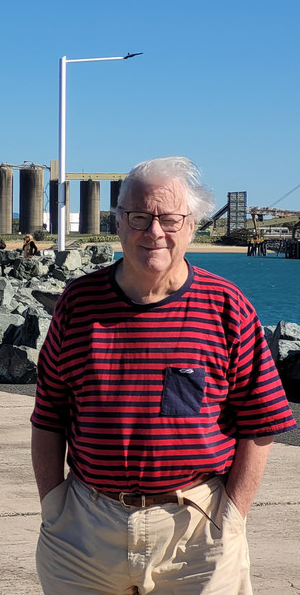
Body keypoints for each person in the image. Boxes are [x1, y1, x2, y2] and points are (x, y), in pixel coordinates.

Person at [31, 157, 296, 595]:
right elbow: (49, 414)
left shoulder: (227, 307)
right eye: (139, 217)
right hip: (84, 530)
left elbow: (262, 420)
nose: (154, 231)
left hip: (196, 530)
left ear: (191, 226)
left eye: (169, 219)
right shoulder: (78, 305)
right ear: (118, 223)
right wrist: (53, 506)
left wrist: (232, 516)